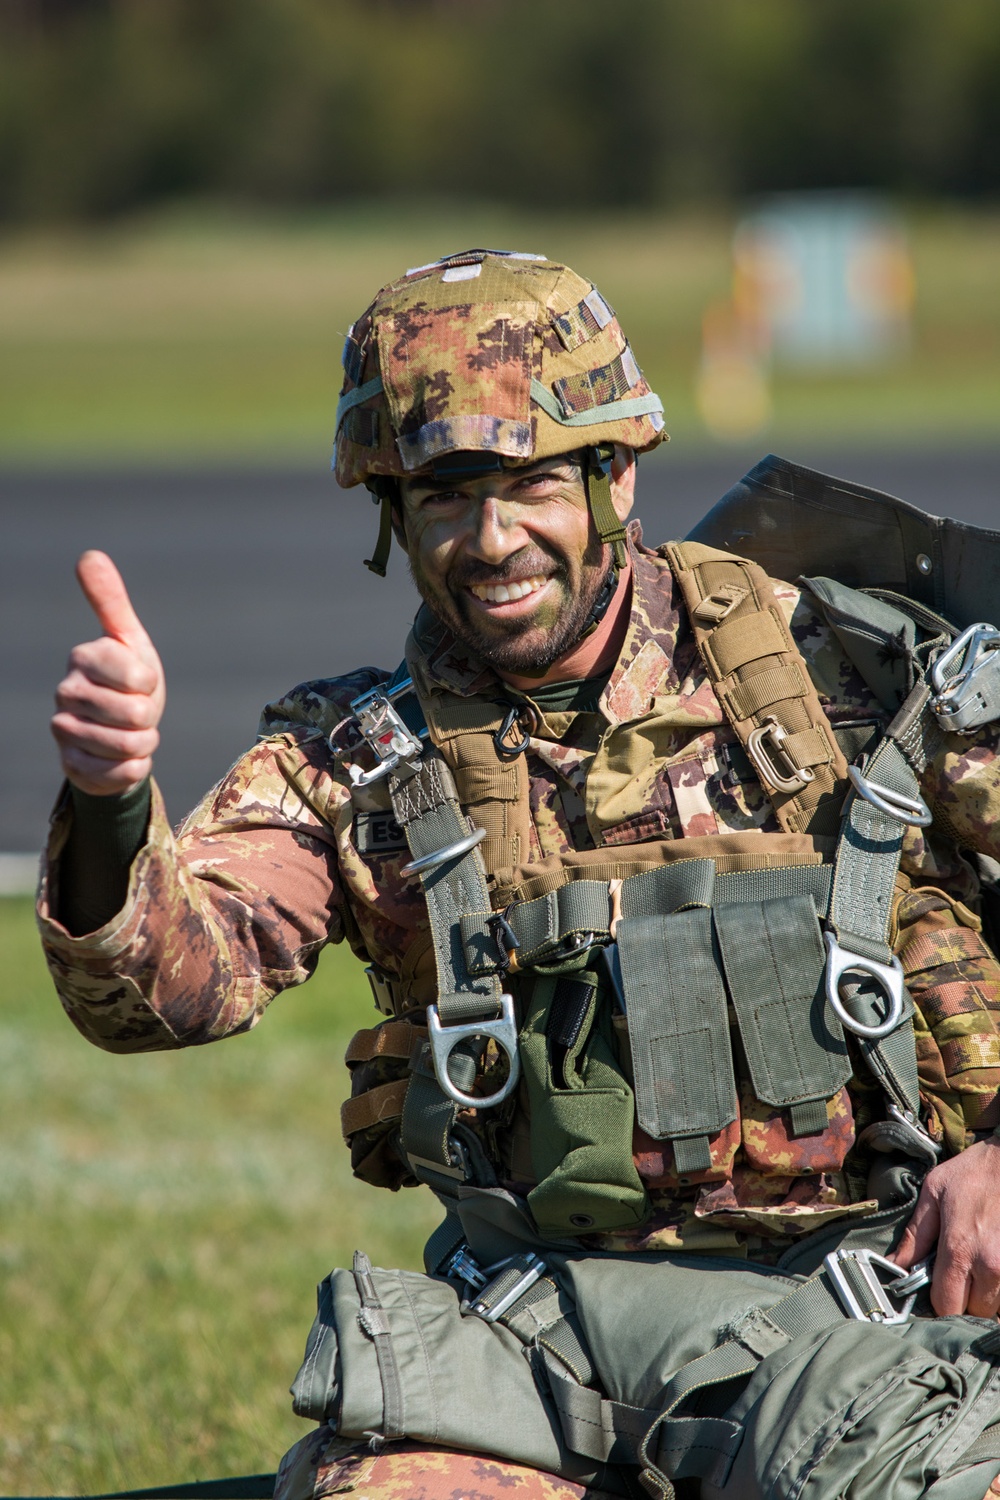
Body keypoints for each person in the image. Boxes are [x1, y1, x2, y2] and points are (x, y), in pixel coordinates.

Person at [40, 249, 1000, 1500]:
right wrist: (112, 802)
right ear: (394, 509)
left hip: (893, 1317)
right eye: (444, 493)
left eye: (530, 481)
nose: (490, 541)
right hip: (546, 1354)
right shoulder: (356, 760)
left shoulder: (861, 680)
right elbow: (163, 992)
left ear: (616, 473)